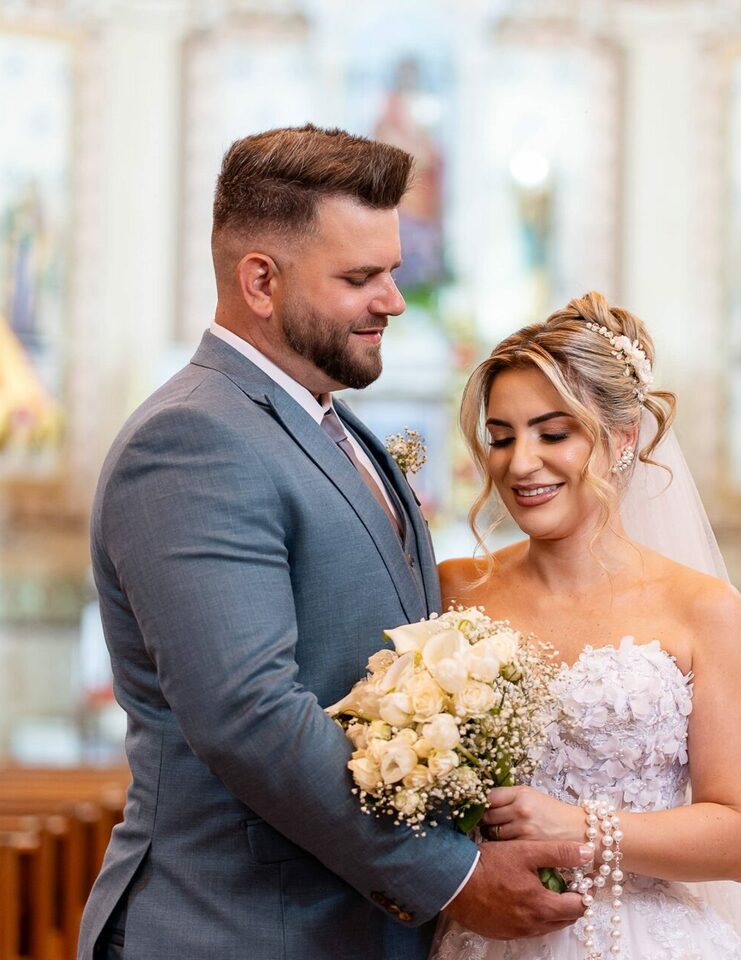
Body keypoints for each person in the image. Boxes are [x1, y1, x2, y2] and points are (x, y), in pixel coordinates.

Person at [79, 125, 587, 960]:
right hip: (241, 928)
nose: (394, 300)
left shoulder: (335, 426)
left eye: (392, 270)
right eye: (360, 278)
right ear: (261, 281)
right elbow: (251, 717)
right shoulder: (193, 440)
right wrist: (453, 877)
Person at [431, 292, 741, 959]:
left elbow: (739, 839)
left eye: (552, 434)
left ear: (621, 439)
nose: (519, 462)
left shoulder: (705, 611)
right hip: (489, 933)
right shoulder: (454, 591)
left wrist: (578, 826)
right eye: (501, 437)